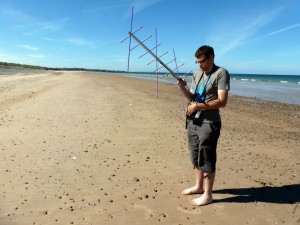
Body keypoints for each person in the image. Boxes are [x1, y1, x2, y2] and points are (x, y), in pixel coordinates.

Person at [178, 45, 230, 206]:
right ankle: (199, 186)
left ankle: (208, 195)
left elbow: (222, 102)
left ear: (211, 57)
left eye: (202, 61)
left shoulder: (221, 73)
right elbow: (192, 97)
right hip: (193, 120)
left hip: (209, 123)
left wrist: (198, 106)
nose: (200, 65)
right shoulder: (197, 73)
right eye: (197, 62)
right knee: (195, 155)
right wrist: (183, 88)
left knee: (207, 157)